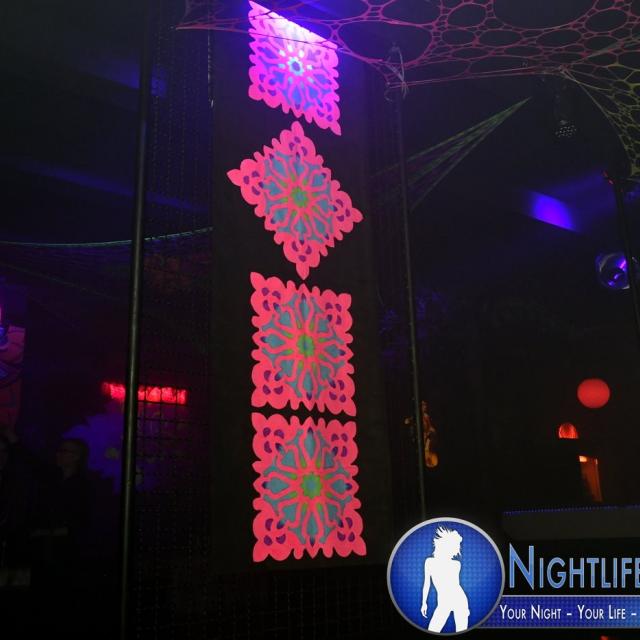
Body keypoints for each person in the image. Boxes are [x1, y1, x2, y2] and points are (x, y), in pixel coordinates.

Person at [420, 526, 469, 632]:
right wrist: (424, 603)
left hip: (459, 600)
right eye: (455, 546)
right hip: (443, 603)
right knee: (433, 629)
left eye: (456, 547)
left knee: (461, 631)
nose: (456, 550)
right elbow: (426, 584)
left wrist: (464, 609)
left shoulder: (456, 564)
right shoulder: (429, 562)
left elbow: (455, 585)